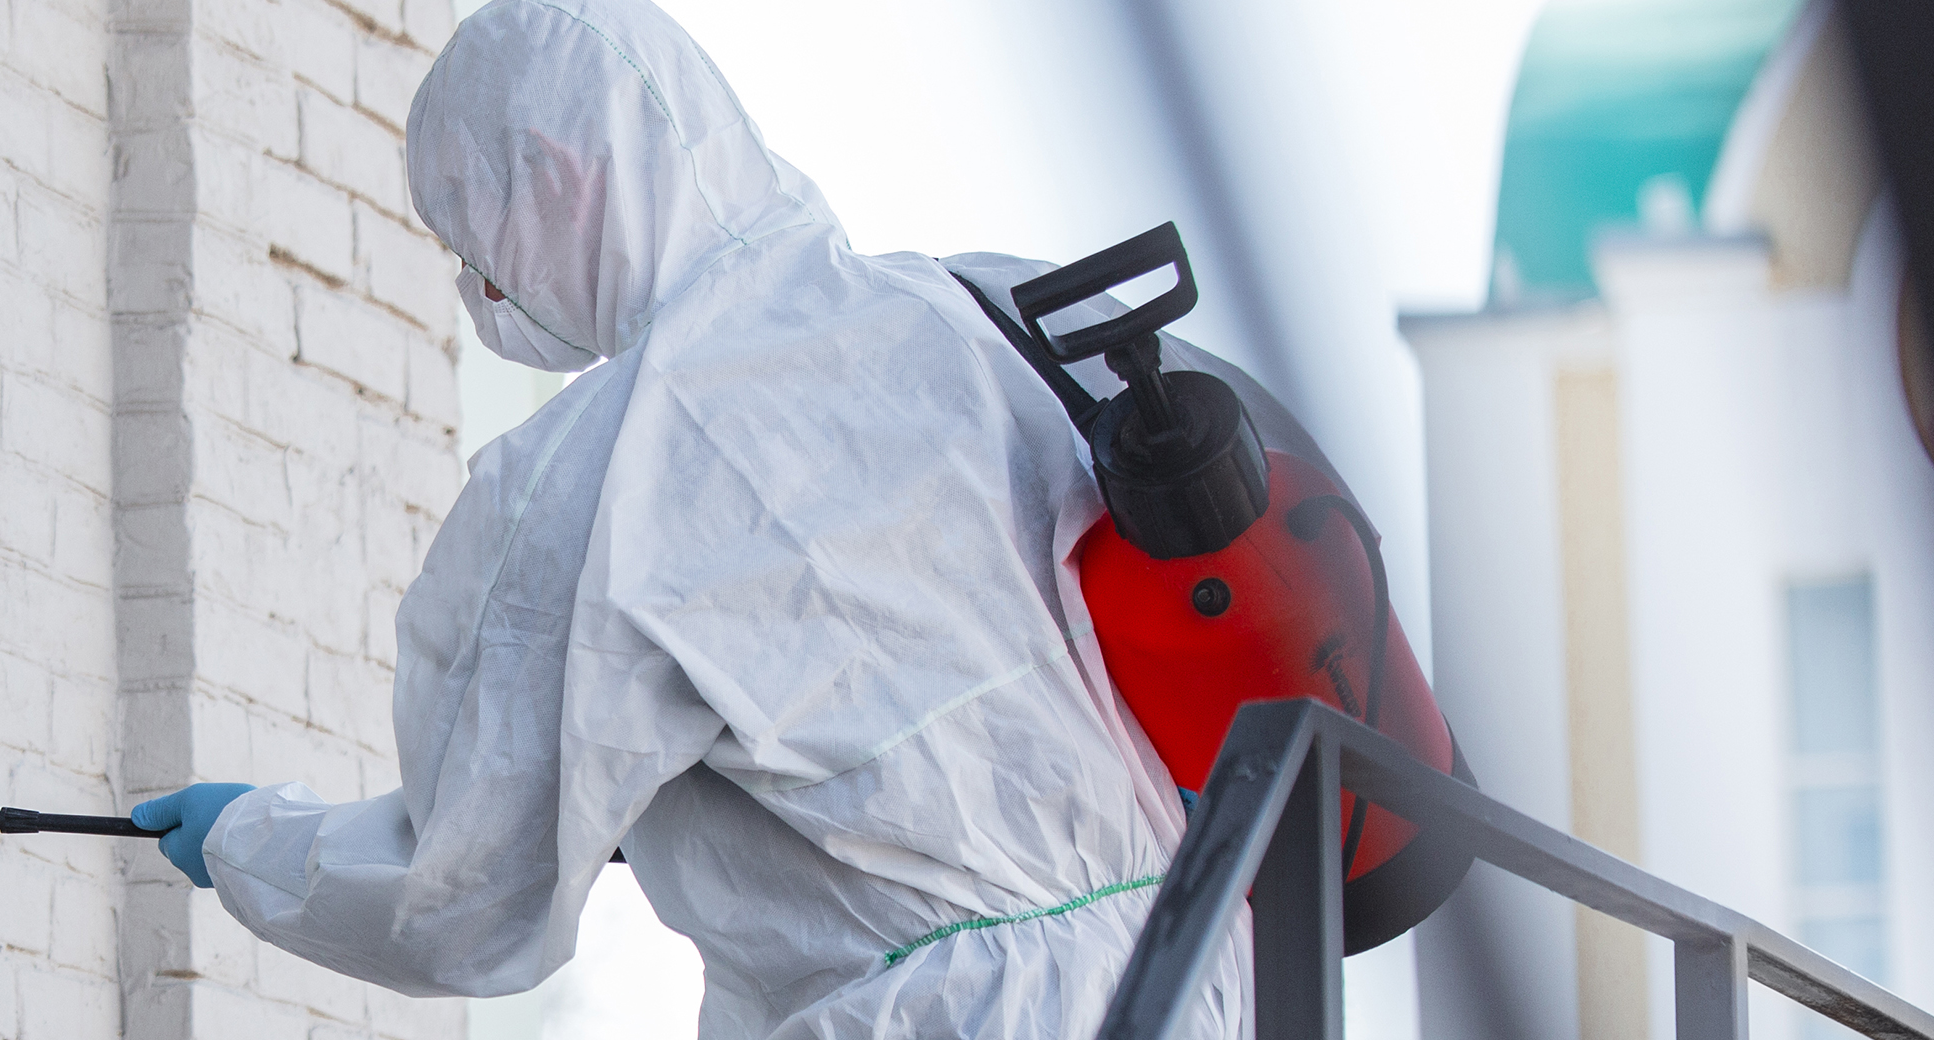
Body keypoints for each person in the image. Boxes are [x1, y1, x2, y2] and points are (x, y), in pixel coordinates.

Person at [129, 1, 1249, 1036]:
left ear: (557, 175)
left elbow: (455, 891)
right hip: (1192, 966)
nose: (482, 290)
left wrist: (249, 842)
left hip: (937, 1013)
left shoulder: (607, 463)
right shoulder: (976, 310)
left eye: (471, 238)